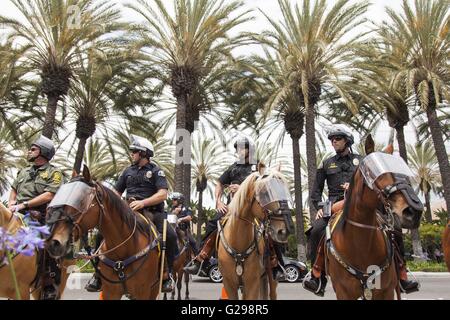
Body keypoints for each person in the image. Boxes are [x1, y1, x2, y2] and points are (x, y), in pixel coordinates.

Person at [302, 125, 419, 296]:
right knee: (316, 230)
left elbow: (373, 183)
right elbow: (316, 193)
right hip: (335, 205)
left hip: (361, 203)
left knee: (395, 228)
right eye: (332, 139)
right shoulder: (326, 164)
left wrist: (354, 186)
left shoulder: (363, 161)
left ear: (347, 141)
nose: (334, 142)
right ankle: (317, 276)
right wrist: (320, 207)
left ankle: (402, 274)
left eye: (338, 138)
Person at [184, 137, 286, 279]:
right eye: (237, 148)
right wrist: (218, 202)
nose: (239, 151)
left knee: (270, 228)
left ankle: (277, 265)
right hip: (231, 207)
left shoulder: (259, 167)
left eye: (242, 148)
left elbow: (266, 185)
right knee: (213, 224)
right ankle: (202, 259)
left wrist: (242, 188)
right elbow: (219, 183)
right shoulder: (232, 167)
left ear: (249, 150)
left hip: (253, 207)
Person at [111, 134, 177, 292]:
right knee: (103, 233)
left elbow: (163, 194)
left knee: (171, 236)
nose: (131, 154)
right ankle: (98, 276)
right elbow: (115, 192)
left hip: (152, 212)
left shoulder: (155, 171)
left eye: (134, 151)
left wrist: (143, 202)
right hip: (129, 212)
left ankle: (167, 274)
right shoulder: (127, 171)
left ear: (143, 153)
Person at [8, 136, 64, 300]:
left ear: (43, 152)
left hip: (39, 215)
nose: (29, 151)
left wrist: (24, 205)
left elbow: (49, 195)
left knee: (45, 242)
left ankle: (48, 283)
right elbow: (14, 189)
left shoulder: (54, 173)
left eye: (33, 149)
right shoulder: (23, 171)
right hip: (16, 212)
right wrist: (12, 203)